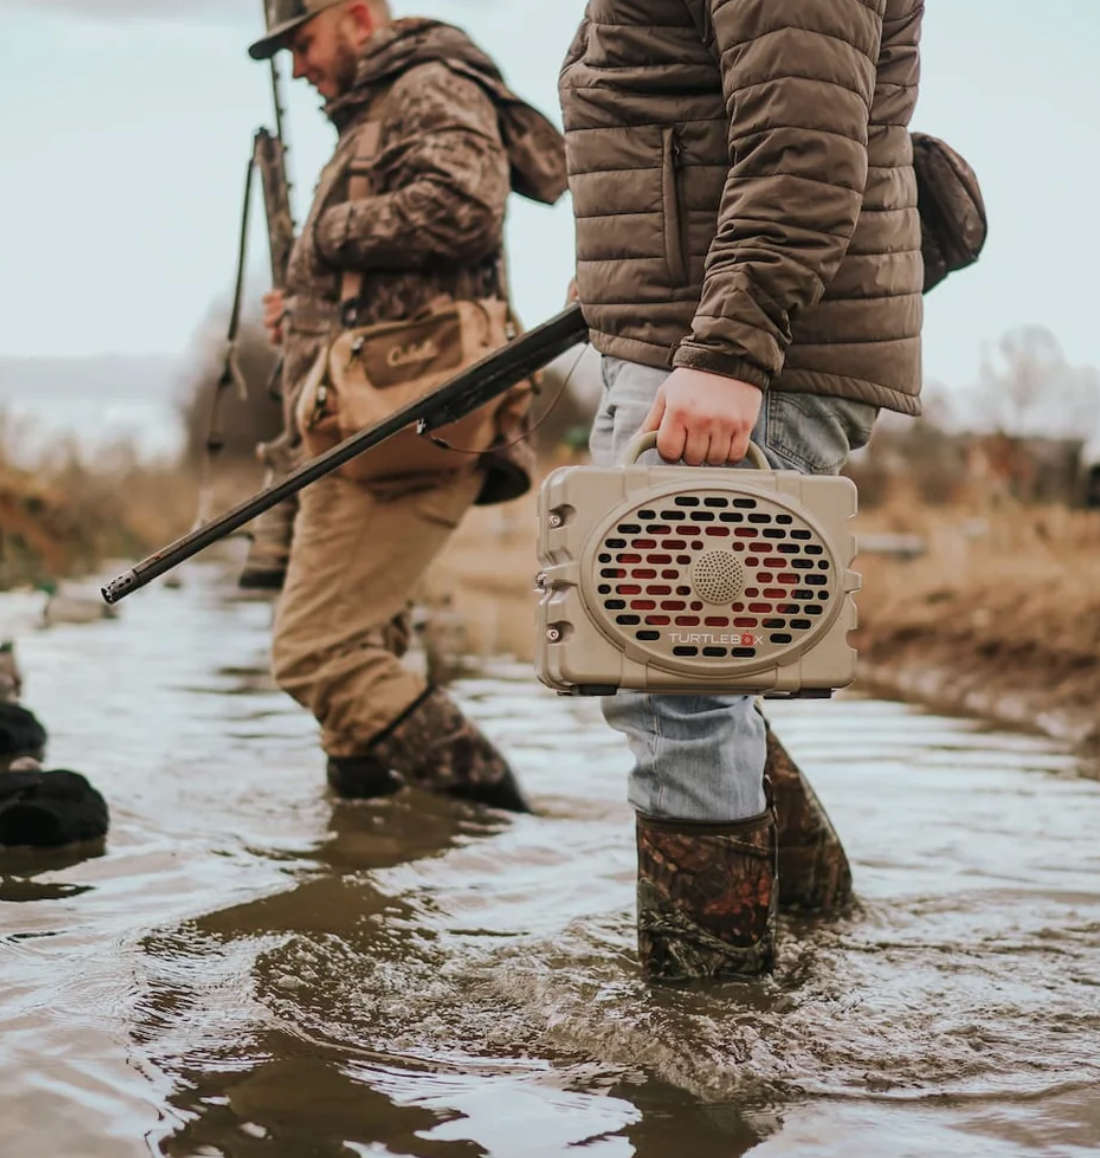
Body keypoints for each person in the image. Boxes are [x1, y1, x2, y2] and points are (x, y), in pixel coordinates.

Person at [559, 0, 924, 981]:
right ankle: (815, 929)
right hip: (683, 339)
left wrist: (729, 346)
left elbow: (801, 135)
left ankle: (707, 1026)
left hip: (732, 353)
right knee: (685, 671)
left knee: (674, 685)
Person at [249, 0, 567, 810]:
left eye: (304, 41)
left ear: (357, 17)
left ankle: (498, 822)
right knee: (357, 667)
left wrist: (321, 239)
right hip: (359, 428)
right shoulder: (381, 108)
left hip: (401, 426)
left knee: (315, 656)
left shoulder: (428, 83)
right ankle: (374, 868)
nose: (298, 66)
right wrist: (310, 306)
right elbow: (391, 277)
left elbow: (464, 207)